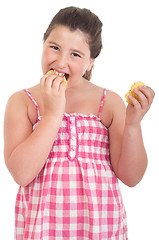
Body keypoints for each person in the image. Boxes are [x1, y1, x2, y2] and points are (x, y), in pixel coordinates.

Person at [4, 6, 155, 240]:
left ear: (91, 62)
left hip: (101, 229)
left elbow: (131, 177)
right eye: (54, 47)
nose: (61, 61)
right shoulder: (22, 101)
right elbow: (22, 174)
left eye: (75, 54)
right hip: (42, 231)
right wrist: (53, 115)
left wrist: (133, 125)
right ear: (43, 44)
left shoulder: (109, 102)